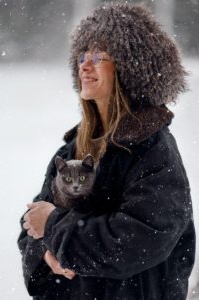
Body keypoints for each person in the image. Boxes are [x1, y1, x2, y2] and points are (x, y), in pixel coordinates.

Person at [18, 3, 195, 300]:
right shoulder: (74, 148)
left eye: (99, 56)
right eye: (82, 56)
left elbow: (139, 240)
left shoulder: (153, 150)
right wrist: (44, 252)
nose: (85, 65)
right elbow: (34, 221)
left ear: (130, 67)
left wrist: (54, 228)